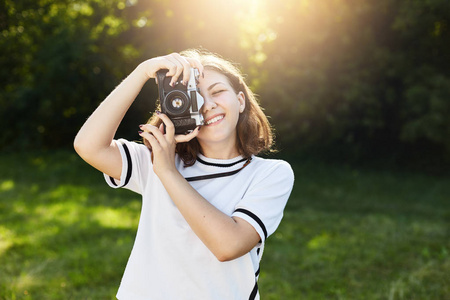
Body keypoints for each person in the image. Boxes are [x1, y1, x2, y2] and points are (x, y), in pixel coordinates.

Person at [74, 49, 294, 300]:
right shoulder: (157, 158)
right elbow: (88, 146)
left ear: (240, 100)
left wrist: (168, 173)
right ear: (177, 105)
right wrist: (141, 72)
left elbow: (228, 245)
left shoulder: (270, 173)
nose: (208, 105)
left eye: (217, 91)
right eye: (195, 96)